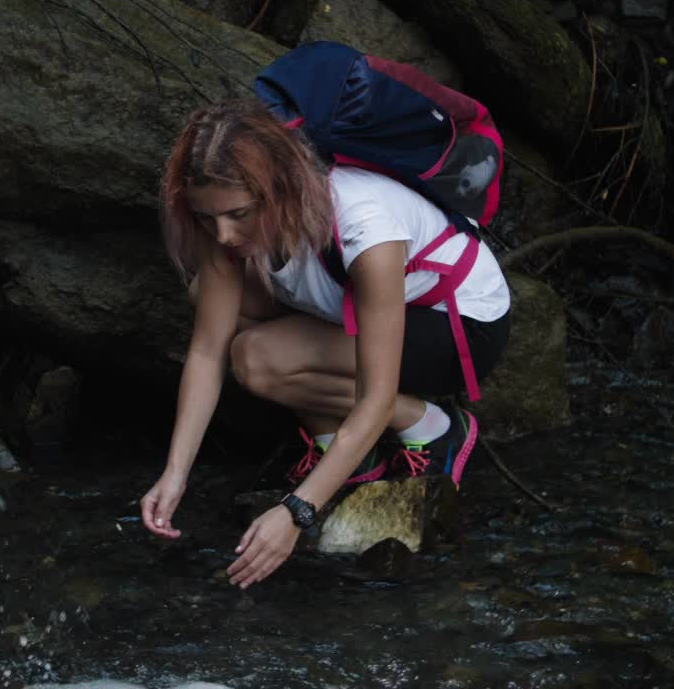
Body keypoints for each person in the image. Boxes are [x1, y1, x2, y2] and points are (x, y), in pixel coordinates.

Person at [138, 98, 511, 589]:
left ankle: (435, 427)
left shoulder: (364, 225)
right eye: (207, 218)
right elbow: (206, 352)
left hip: (456, 322)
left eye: (239, 215)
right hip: (353, 305)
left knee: (259, 359)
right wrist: (174, 473)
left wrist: (298, 512)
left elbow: (374, 397)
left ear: (280, 189)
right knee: (212, 301)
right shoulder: (224, 219)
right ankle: (349, 454)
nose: (223, 234)